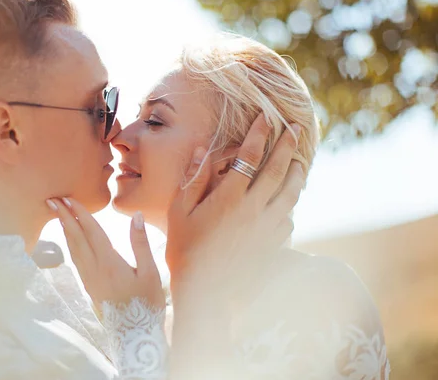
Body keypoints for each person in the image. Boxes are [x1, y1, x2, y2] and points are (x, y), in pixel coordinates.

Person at [0, 0, 304, 379]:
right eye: (98, 108)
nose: (116, 132)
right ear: (8, 131)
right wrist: (158, 317)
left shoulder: (56, 288)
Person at [49, 35, 391, 379]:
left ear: (235, 162)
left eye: (155, 121)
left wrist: (133, 329)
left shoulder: (318, 292)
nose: (119, 138)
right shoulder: (162, 314)